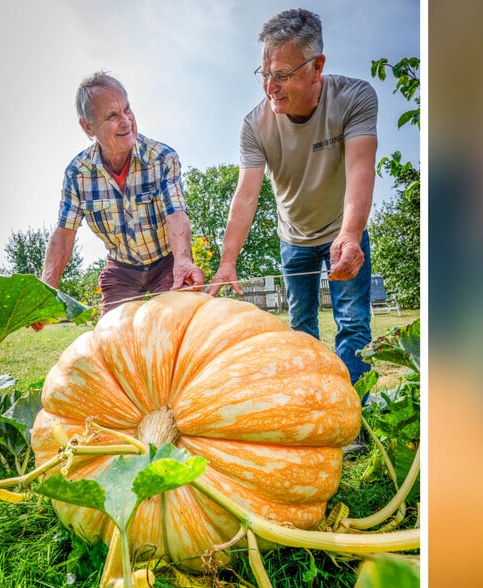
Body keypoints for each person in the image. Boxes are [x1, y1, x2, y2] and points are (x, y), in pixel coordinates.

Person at [206, 10, 378, 404]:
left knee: (352, 323)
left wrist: (351, 235)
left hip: (343, 231)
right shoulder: (255, 125)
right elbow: (246, 195)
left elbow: (359, 170)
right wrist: (227, 261)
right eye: (264, 73)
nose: (271, 86)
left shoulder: (354, 98)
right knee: (301, 327)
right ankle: (310, 408)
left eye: (282, 74)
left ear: (317, 66)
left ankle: (351, 415)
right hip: (293, 240)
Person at [37, 71, 205, 321]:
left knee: (179, 326)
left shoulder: (161, 158)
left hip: (166, 262)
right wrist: (46, 289)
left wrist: (182, 259)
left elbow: (176, 213)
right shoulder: (78, 173)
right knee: (112, 336)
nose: (126, 121)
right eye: (112, 116)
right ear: (88, 126)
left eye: (127, 110)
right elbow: (64, 234)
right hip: (122, 268)